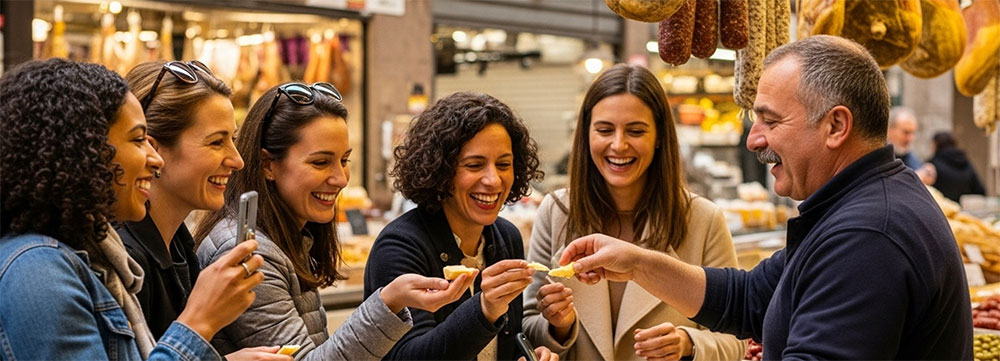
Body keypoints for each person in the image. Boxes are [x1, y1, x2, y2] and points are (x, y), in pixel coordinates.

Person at [558, 36, 972, 359]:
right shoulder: (856, 206)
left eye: (770, 120)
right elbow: (749, 297)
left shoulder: (867, 237)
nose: (755, 139)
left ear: (836, 126)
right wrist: (635, 262)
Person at [0, 58, 263, 360]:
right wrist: (198, 322)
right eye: (139, 140)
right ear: (85, 149)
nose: (154, 158)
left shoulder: (93, 257)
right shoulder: (38, 271)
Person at [196, 82, 474, 360]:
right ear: (268, 165)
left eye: (344, 160)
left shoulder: (290, 239)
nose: (340, 178)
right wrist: (389, 301)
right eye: (320, 162)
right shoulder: (251, 253)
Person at [521, 64, 745, 361]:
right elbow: (528, 324)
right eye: (604, 130)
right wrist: (560, 326)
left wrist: (687, 343)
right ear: (586, 135)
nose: (618, 145)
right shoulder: (557, 211)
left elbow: (736, 335)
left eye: (635, 131)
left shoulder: (703, 220)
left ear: (660, 137)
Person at [118, 60, 294, 360]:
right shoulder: (124, 260)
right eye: (216, 142)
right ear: (153, 150)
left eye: (233, 140)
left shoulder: (180, 247)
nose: (237, 160)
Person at [364, 91, 556, 361]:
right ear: (441, 169)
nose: (493, 180)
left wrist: (531, 353)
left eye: (504, 164)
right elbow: (408, 356)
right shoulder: (400, 246)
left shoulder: (506, 238)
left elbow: (504, 340)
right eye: (475, 165)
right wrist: (485, 308)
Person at [929, 131, 986, 202]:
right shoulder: (965, 162)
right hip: (962, 210)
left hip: (941, 209)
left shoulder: (932, 164)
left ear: (936, 144)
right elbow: (980, 190)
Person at [888, 106, 936, 184]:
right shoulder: (878, 157)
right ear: (889, 130)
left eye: (913, 133)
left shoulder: (910, 157)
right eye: (906, 132)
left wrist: (926, 172)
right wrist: (916, 178)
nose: (910, 138)